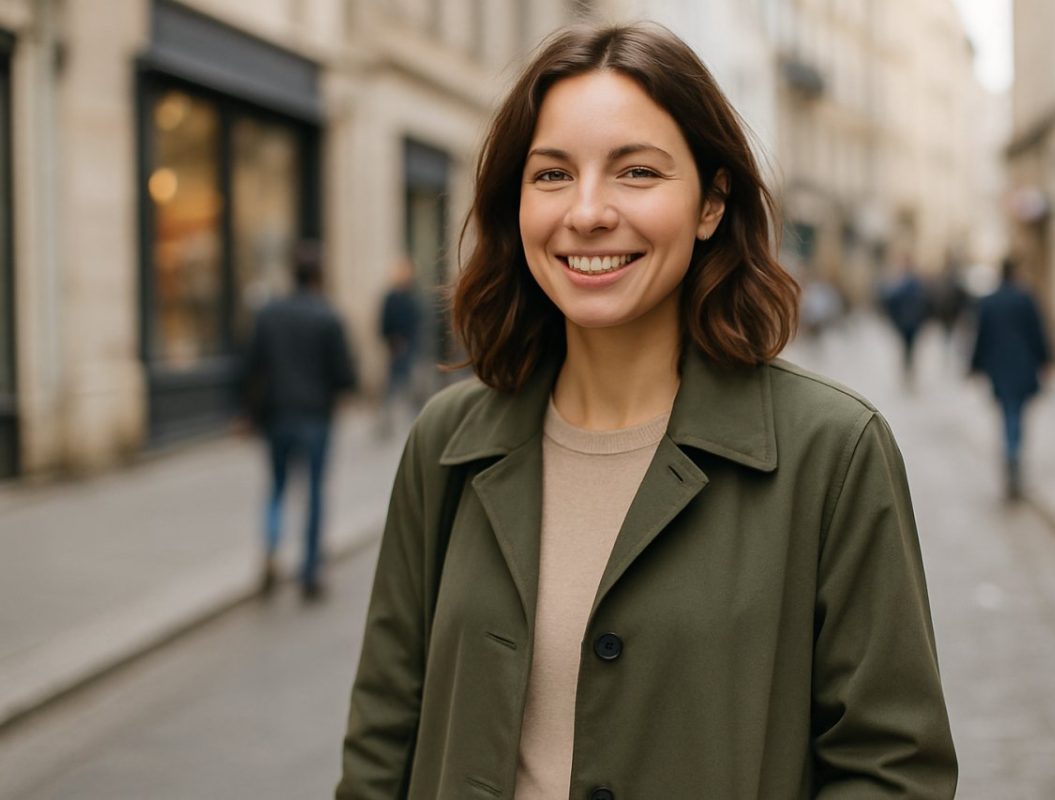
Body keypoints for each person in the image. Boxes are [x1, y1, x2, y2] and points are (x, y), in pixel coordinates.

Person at [338, 23, 956, 799]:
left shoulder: (831, 452)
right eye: (552, 174)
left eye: (636, 171)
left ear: (710, 204)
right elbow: (382, 736)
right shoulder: (446, 442)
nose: (587, 211)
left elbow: (894, 769)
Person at [243, 240, 356, 600]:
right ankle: (309, 571)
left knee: (277, 487)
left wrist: (247, 413)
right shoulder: (328, 316)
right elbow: (346, 376)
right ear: (319, 275)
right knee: (314, 494)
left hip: (278, 415)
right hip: (315, 417)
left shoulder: (269, 313)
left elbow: (251, 366)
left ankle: (270, 551)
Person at [969, 256, 1051, 500]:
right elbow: (1037, 333)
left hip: (999, 368)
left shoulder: (989, 301)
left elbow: (981, 336)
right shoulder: (1025, 299)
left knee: (1008, 412)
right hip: (1023, 366)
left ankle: (1011, 454)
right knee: (1017, 414)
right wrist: (1046, 360)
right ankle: (1013, 455)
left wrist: (974, 366)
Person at [378, 256, 423, 435]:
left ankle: (413, 421)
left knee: (410, 385)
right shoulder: (392, 297)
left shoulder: (412, 297)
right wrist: (391, 340)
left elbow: (417, 323)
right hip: (395, 347)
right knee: (392, 386)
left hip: (409, 347)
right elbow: (384, 322)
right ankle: (386, 422)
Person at [880, 255, 929, 387]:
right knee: (908, 349)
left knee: (908, 349)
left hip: (909, 323)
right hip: (908, 323)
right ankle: (908, 371)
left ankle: (908, 371)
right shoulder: (909, 284)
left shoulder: (905, 284)